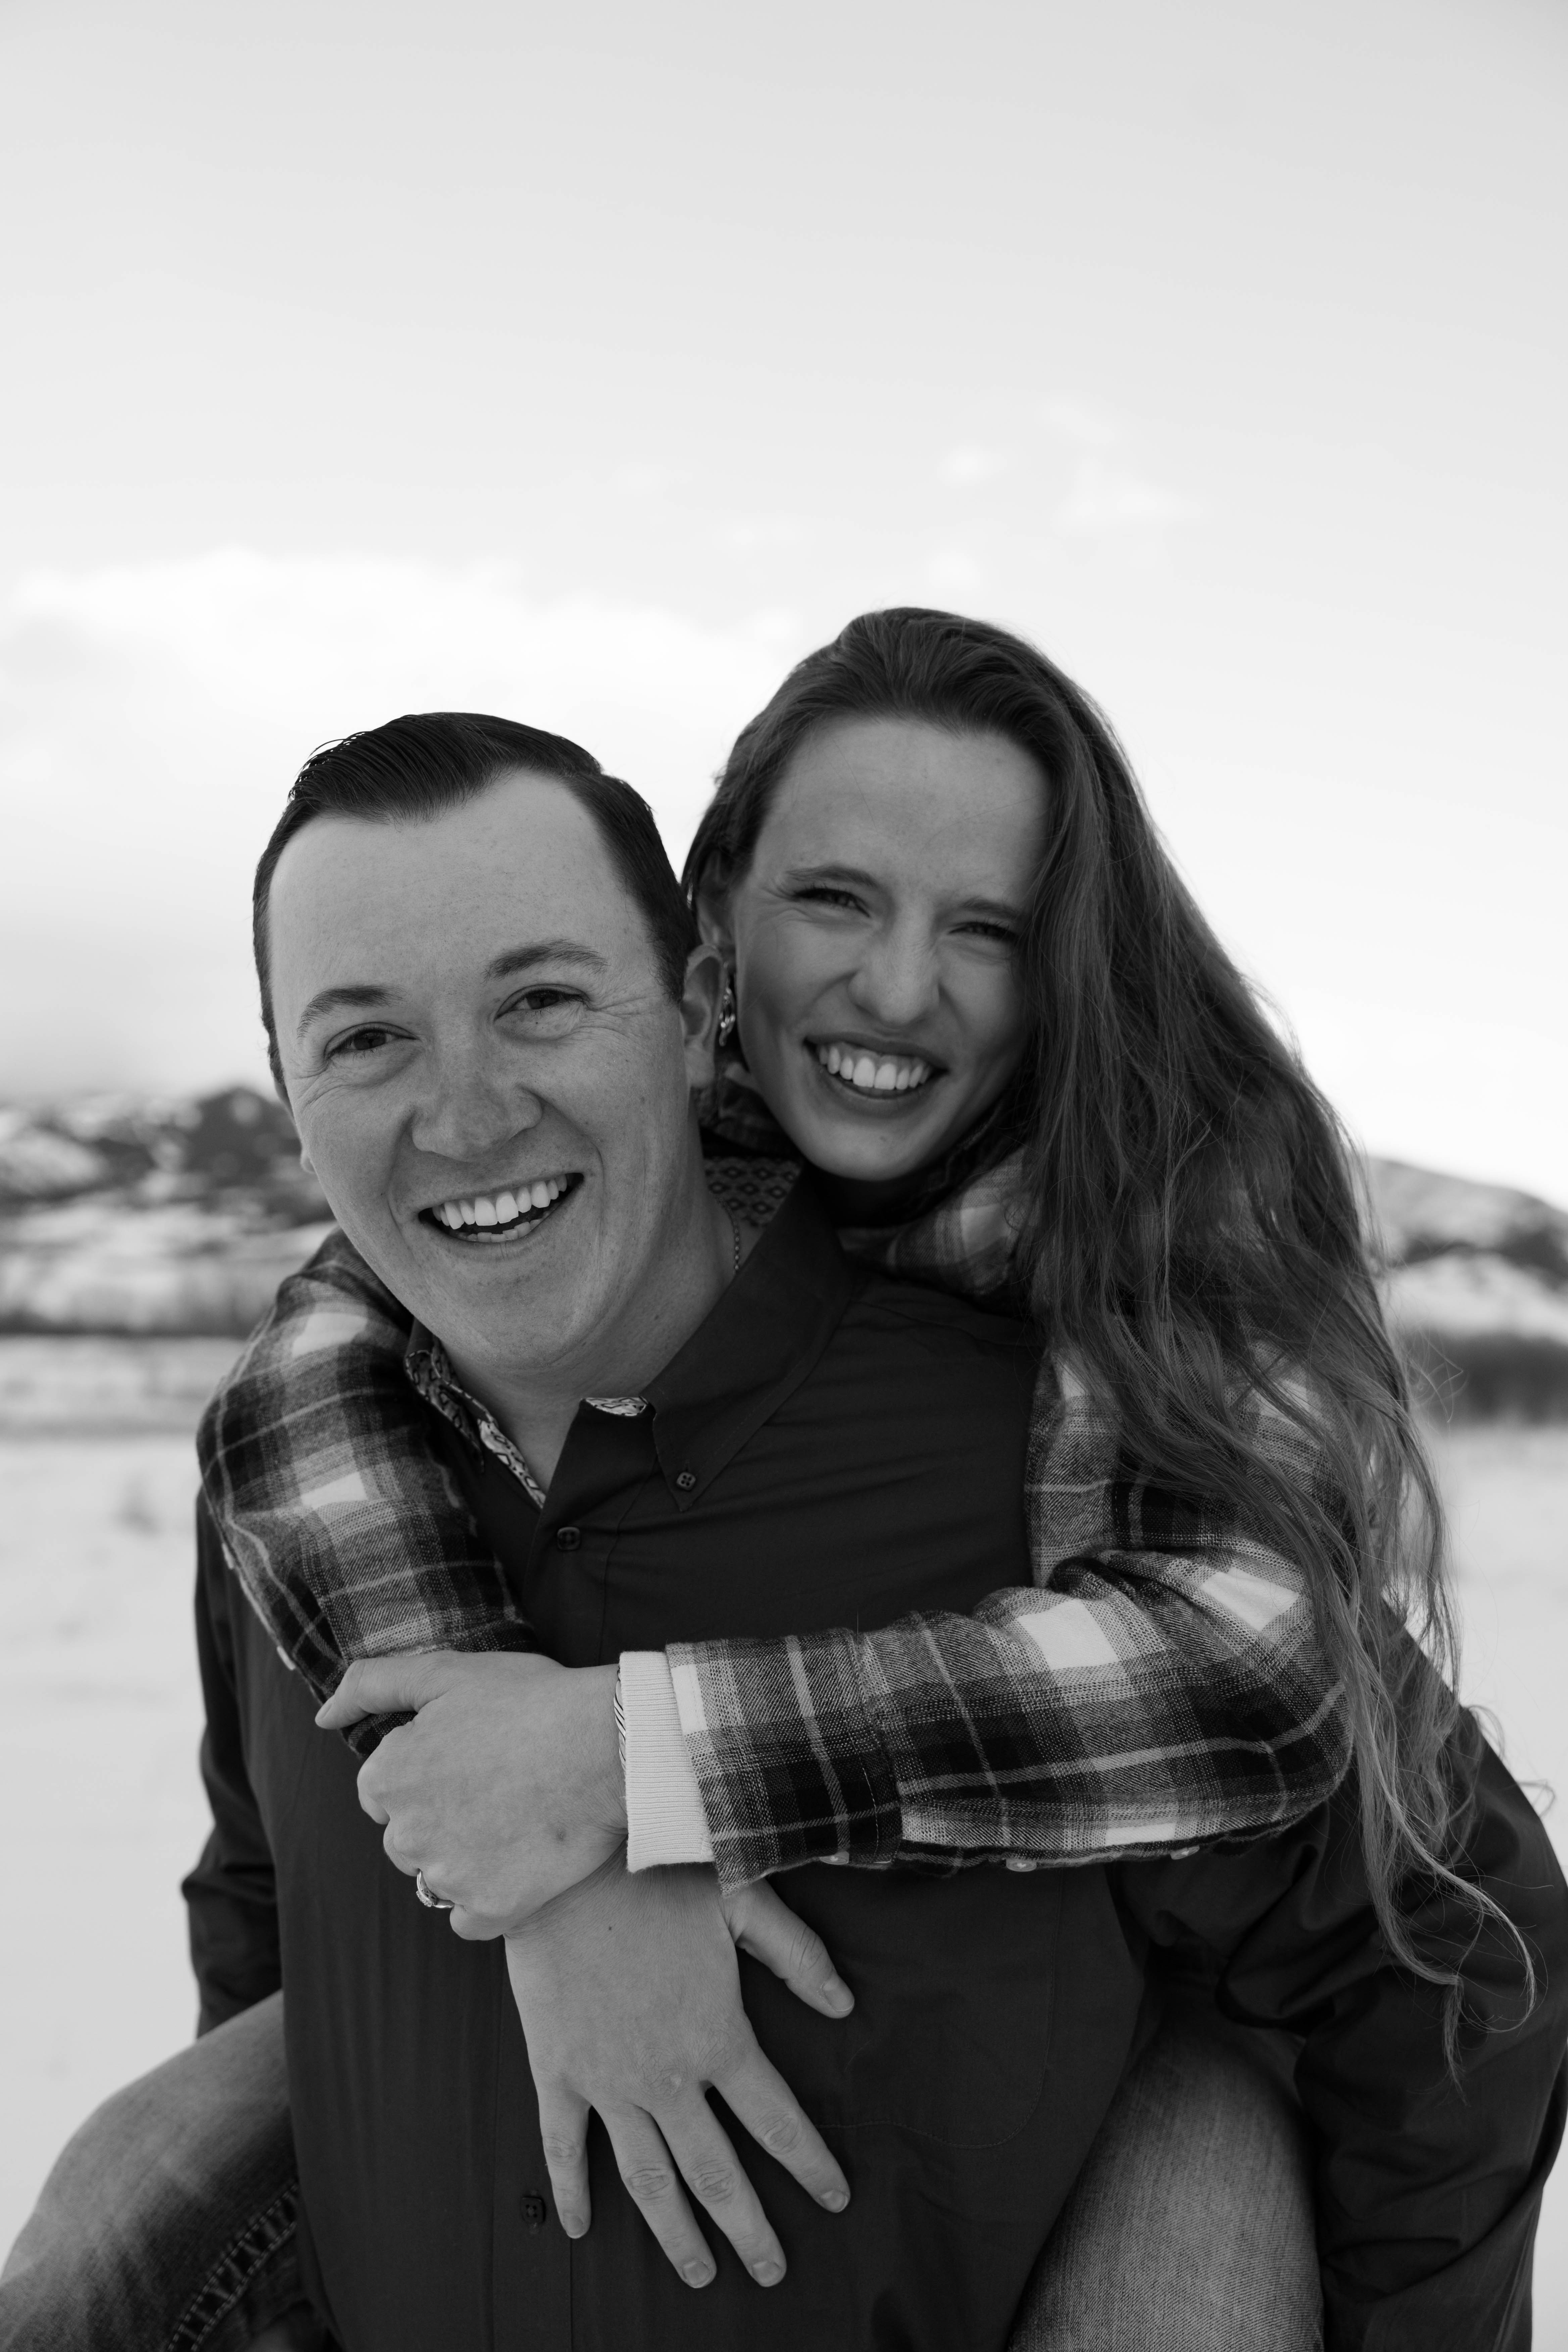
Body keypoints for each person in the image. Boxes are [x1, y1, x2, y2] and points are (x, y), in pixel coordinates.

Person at [1, 625, 1560, 2345]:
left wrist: (641, 1763)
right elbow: (276, 1863)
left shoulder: (1114, 1330)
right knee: (119, 2204)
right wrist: (534, 1852)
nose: (893, 988)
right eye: (833, 898)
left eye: (987, 928)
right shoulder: (336, 1420)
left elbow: (1328, 1785)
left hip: (1163, 2025)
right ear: (717, 931)